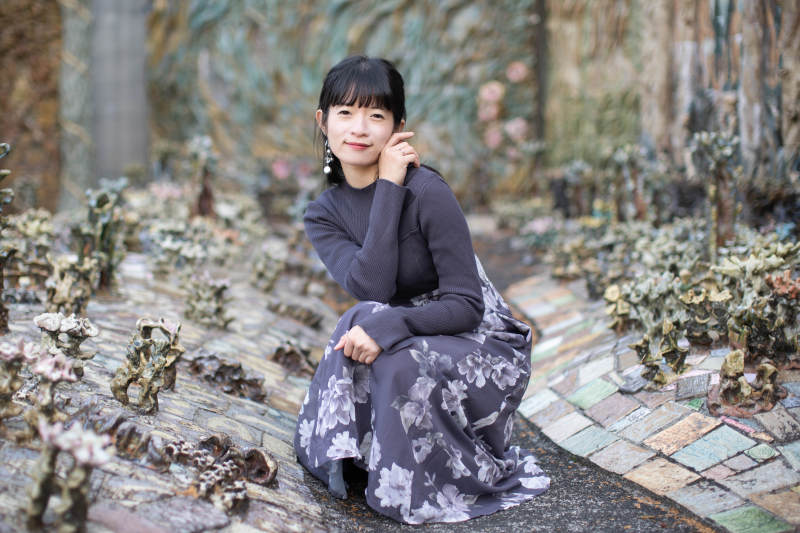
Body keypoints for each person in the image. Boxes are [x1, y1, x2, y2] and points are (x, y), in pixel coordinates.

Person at [293, 55, 549, 524]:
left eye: (376, 115)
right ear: (323, 122)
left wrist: (391, 184)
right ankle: (362, 454)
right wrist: (386, 192)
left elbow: (467, 306)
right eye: (345, 113)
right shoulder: (323, 214)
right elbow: (372, 286)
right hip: (403, 334)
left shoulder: (427, 191)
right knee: (359, 319)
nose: (359, 128)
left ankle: (419, 475)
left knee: (391, 349)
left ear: (397, 128)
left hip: (477, 341)